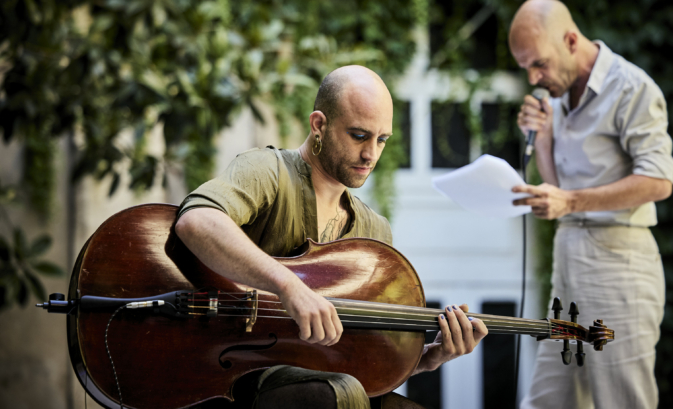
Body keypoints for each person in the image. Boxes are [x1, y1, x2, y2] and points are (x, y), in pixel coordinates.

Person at [174, 65, 488, 409]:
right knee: (343, 393)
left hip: (320, 381)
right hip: (237, 375)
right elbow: (197, 220)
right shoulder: (268, 171)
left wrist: (428, 358)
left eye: (382, 140)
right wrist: (289, 286)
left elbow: (358, 360)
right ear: (319, 125)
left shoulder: (374, 233)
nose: (371, 154)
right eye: (358, 135)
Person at [509, 0, 673, 408]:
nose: (534, 77)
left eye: (539, 64)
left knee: (621, 401)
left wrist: (570, 200)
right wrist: (543, 138)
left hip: (618, 266)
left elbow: (659, 180)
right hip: (568, 266)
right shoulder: (559, 97)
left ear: (570, 40)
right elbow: (560, 186)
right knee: (546, 401)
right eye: (526, 68)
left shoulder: (632, 88)